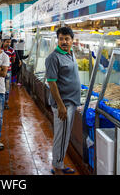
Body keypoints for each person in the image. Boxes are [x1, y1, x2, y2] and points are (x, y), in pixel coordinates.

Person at [45, 27, 80, 175]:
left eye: (67, 39)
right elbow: (52, 83)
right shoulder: (53, 58)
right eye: (61, 39)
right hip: (63, 104)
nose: (64, 42)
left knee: (65, 135)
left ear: (72, 40)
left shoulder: (71, 53)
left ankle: (59, 163)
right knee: (61, 136)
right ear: (58, 40)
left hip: (71, 102)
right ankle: (57, 167)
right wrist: (60, 106)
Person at [2, 36, 16, 110]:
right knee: (0, 87)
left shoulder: (12, 50)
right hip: (0, 71)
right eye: (7, 41)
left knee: (7, 87)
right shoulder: (0, 50)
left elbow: (13, 59)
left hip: (8, 71)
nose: (8, 43)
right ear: (3, 42)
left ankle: (6, 102)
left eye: (9, 42)